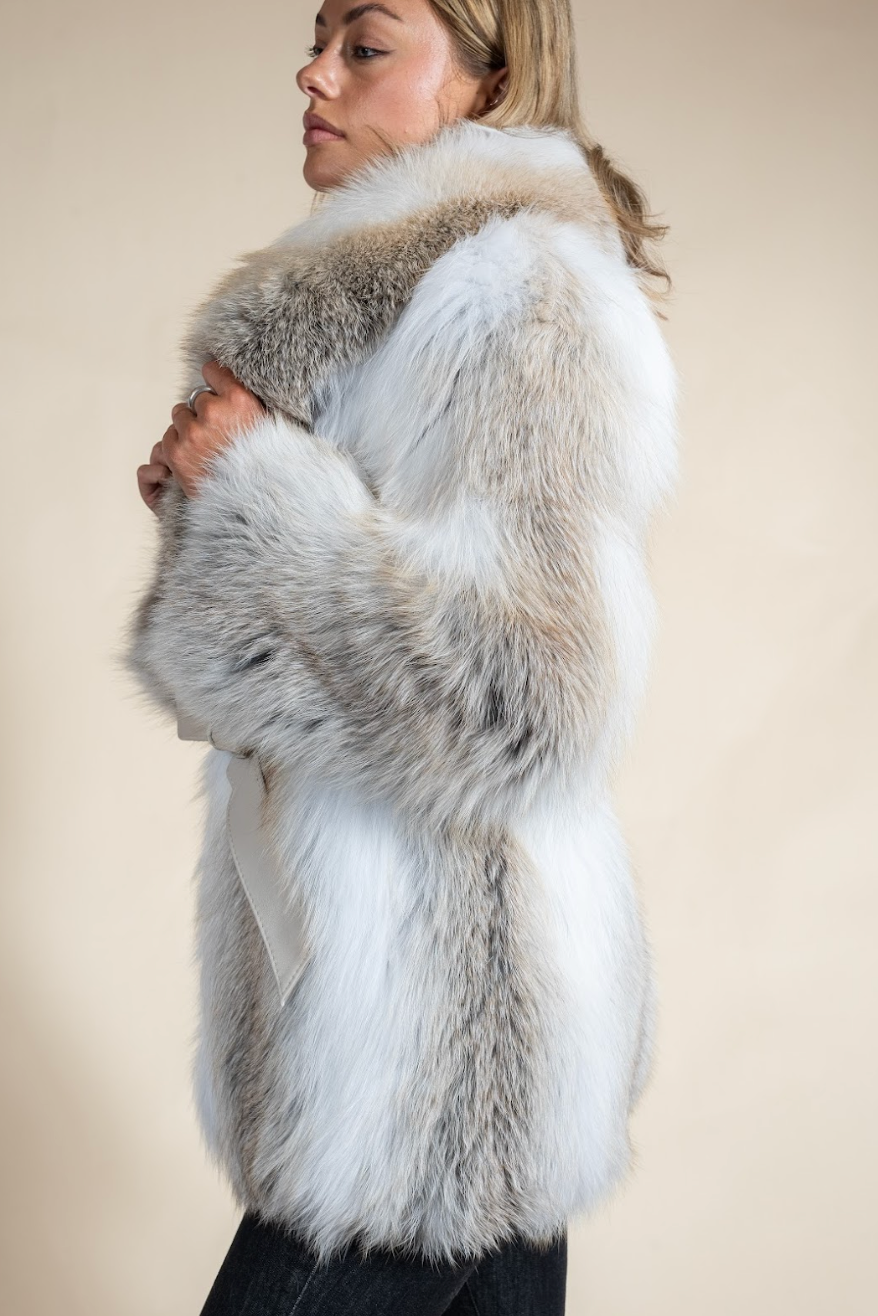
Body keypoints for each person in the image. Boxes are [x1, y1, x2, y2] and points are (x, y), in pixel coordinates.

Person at [124, 0, 679, 1311]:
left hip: (428, 1045)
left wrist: (257, 492)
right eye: (317, 34)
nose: (311, 70)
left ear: (488, 87)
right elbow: (317, 667)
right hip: (438, 1013)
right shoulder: (397, 307)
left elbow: (529, 695)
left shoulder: (519, 292)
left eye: (364, 44)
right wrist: (215, 506)